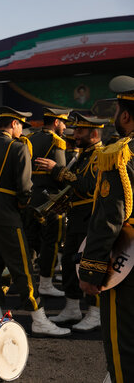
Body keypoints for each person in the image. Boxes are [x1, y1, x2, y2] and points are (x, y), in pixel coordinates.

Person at [0, 106, 70, 337]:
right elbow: (26, 188)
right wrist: (22, 207)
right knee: (23, 267)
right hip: (7, 214)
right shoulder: (18, 147)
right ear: (15, 124)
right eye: (21, 125)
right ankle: (38, 317)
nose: (21, 130)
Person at [78, 75, 134, 382]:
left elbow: (109, 218)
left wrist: (91, 272)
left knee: (122, 347)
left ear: (125, 115)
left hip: (128, 264)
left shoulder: (118, 156)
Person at [35, 112, 108, 332]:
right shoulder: (83, 155)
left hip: (91, 219)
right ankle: (72, 308)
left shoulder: (102, 155)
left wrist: (57, 170)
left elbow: (88, 185)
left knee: (89, 265)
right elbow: (76, 187)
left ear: (94, 133)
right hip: (76, 218)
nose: (74, 134)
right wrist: (63, 204)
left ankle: (95, 313)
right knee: (69, 263)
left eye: (80, 131)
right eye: (75, 129)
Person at [25, 107, 71, 298]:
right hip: (50, 198)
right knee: (51, 241)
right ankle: (45, 282)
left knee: (30, 240)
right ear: (57, 122)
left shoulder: (30, 138)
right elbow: (59, 174)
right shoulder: (56, 141)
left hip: (30, 196)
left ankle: (25, 281)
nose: (65, 126)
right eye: (64, 122)